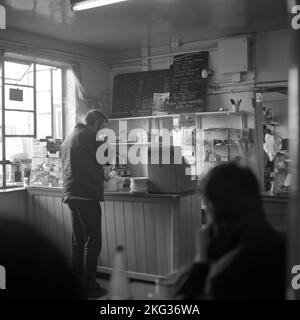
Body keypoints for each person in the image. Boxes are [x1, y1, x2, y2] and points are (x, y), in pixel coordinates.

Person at [173, 163, 286, 300]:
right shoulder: (282, 244)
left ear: (214, 209)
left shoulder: (229, 273)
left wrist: (200, 261)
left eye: (207, 205)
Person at [61, 109, 109, 298]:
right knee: (93, 241)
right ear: (96, 122)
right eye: (103, 126)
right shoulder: (92, 136)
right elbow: (106, 160)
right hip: (87, 195)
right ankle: (90, 285)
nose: (102, 130)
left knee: (78, 241)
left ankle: (76, 283)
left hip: (70, 194)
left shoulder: (69, 137)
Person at [0, 217, 85, 299]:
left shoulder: (12, 235)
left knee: (78, 242)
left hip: (71, 202)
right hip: (87, 203)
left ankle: (83, 279)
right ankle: (89, 284)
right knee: (91, 242)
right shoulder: (18, 236)